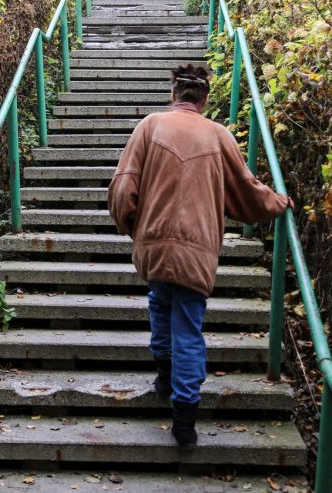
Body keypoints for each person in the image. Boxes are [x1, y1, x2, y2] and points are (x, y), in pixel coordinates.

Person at [107, 64, 293, 448]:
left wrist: (130, 226)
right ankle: (185, 420)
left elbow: (124, 185)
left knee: (159, 303)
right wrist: (277, 203)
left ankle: (163, 376)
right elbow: (245, 190)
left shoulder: (150, 126)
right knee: (188, 327)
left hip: (154, 243)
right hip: (197, 249)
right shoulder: (219, 134)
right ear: (205, 99)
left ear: (174, 94)